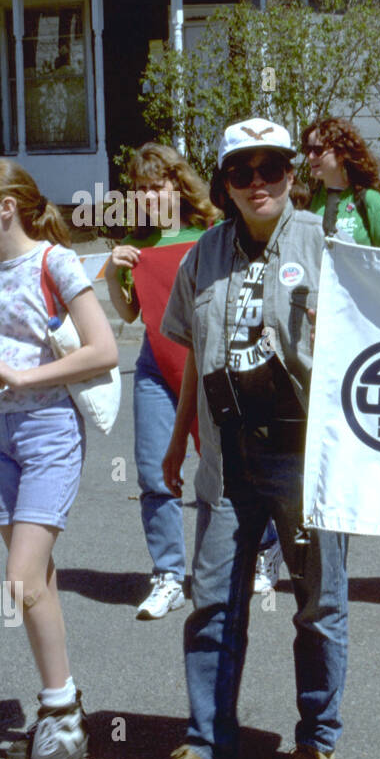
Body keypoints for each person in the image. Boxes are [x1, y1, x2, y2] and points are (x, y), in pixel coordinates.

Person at [144, 118, 349, 759]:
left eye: (273, 167)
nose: (258, 181)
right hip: (227, 454)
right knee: (211, 600)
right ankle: (205, 745)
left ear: (292, 173)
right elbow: (195, 358)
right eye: (242, 170)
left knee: (318, 604)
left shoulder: (330, 244)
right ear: (224, 181)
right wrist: (178, 440)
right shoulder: (201, 254)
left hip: (306, 454)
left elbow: (378, 356)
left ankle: (316, 743)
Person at [0, 158, 120, 759]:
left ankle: (62, 709)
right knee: (37, 578)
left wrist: (23, 374)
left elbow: (102, 350)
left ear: (6, 207)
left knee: (20, 577)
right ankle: (59, 705)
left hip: (49, 431)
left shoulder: (54, 262)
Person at [105, 144, 282, 617]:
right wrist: (111, 276)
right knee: (153, 472)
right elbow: (130, 314)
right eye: (139, 189)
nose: (147, 196)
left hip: (212, 365)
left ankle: (264, 547)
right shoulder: (135, 246)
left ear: (177, 185)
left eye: (157, 185)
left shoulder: (213, 233)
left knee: (230, 467)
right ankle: (167, 574)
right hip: (154, 365)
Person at [301, 116, 380, 249]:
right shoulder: (310, 202)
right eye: (307, 150)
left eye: (318, 150)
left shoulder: (369, 199)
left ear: (341, 153)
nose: (310, 157)